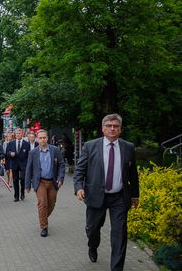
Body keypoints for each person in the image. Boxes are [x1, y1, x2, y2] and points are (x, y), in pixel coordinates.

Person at [74, 114, 139, 271]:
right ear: (103, 128)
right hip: (96, 196)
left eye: (115, 126)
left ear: (120, 129)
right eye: (109, 125)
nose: (112, 128)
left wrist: (135, 194)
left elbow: (133, 174)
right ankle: (92, 247)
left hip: (119, 197)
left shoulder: (128, 147)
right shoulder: (90, 146)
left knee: (119, 234)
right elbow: (79, 170)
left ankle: (116, 268)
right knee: (92, 229)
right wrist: (79, 188)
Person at [25, 129, 65, 237]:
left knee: (51, 204)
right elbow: (29, 169)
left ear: (47, 138)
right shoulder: (33, 152)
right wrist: (27, 185)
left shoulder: (55, 150)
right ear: (37, 139)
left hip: (52, 182)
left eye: (44, 137)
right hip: (40, 182)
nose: (42, 140)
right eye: (40, 138)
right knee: (43, 203)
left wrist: (61, 179)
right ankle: (44, 227)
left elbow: (61, 164)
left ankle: (42, 218)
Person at [6, 128, 30, 202]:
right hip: (14, 164)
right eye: (17, 133)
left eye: (19, 133)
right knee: (15, 180)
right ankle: (16, 196)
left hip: (23, 164)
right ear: (15, 135)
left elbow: (28, 155)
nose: (18, 135)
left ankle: (22, 193)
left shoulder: (26, 143)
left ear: (22, 134)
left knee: (22, 179)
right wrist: (10, 154)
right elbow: (7, 153)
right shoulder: (11, 143)